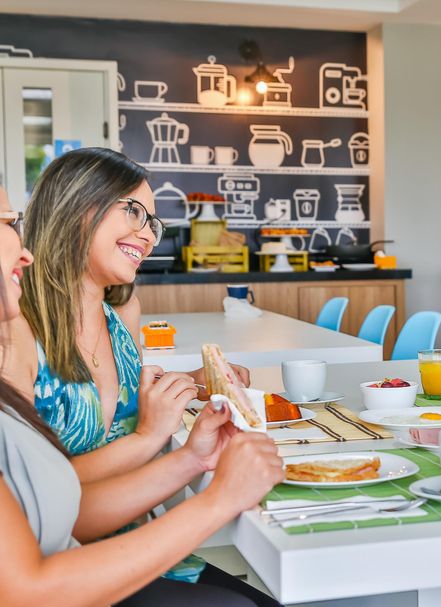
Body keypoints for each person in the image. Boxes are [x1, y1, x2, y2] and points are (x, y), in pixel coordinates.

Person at [0, 188, 284, 606]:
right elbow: (30, 588)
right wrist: (217, 495)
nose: (25, 253)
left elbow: (63, 512)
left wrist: (193, 458)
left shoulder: (117, 313)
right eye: (7, 222)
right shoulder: (18, 340)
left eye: (152, 222)